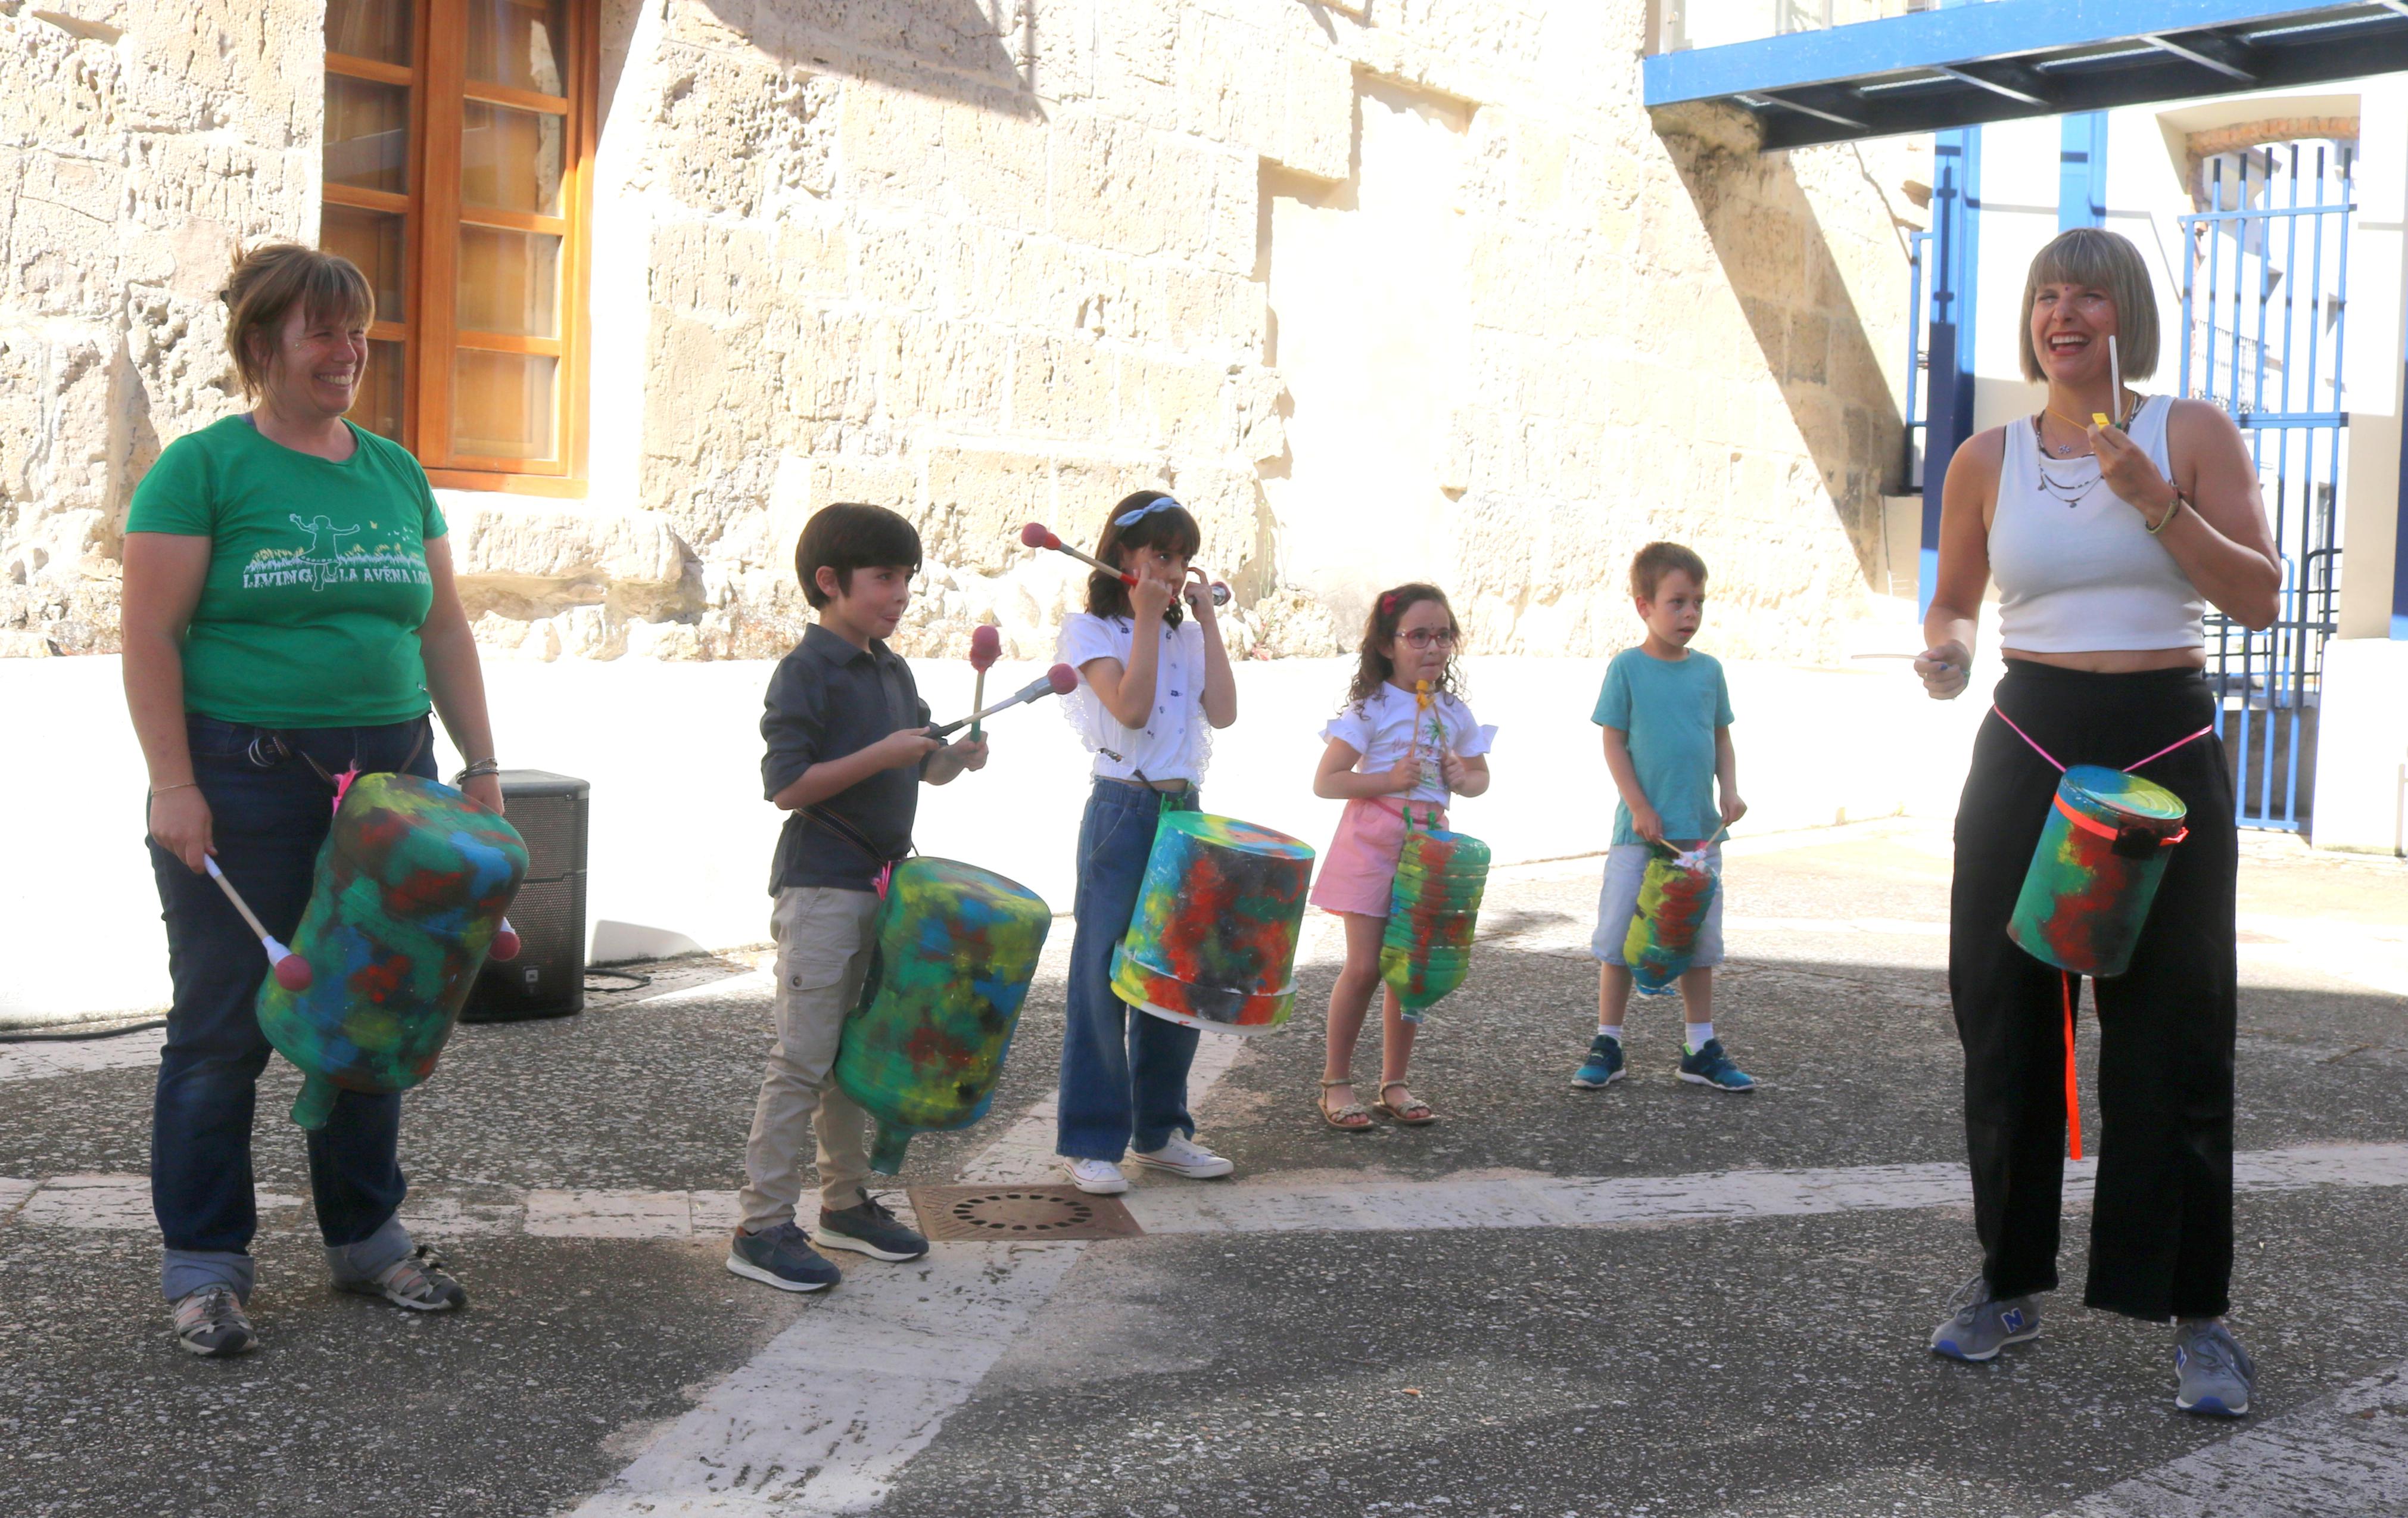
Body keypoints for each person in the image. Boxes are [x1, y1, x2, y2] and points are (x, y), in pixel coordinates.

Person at [1915, 227, 2280, 1416]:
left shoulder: (2186, 430)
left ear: (2123, 312)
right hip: (2027, 740)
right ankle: (2005, 1278)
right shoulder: (1981, 456)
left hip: (2162, 743)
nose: (2059, 315)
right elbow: (1957, 602)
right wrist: (1943, 651)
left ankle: (2193, 1316)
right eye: (2043, 298)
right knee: (2004, 1017)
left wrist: (2154, 500)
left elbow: (2258, 595)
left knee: (2173, 1029)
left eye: (2083, 296)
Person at [122, 244, 504, 1358]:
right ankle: (204, 1266)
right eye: (324, 332)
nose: (350, 352)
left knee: (371, 1011)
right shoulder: (201, 470)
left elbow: (442, 624)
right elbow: (150, 633)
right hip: (243, 776)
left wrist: (479, 762)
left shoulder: (393, 471)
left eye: (360, 330)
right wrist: (174, 783)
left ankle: (368, 1239)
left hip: (392, 777)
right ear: (261, 347)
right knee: (221, 1028)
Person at [730, 502, 990, 1292]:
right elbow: (786, 786)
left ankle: (843, 1204)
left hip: (884, 889)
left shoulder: (890, 667)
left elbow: (919, 767)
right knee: (802, 1059)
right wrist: (883, 752)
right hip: (820, 888)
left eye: (907, 576)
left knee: (848, 1061)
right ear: (829, 583)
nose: (901, 591)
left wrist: (955, 758)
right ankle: (760, 1226)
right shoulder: (805, 672)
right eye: (885, 577)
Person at [1054, 492, 1239, 1195]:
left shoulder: (1185, 634)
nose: (1172, 568)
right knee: (1103, 975)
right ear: (1123, 557)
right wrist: (1142, 618)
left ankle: (1161, 1131)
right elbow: (1129, 707)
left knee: (1177, 976)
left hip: (1183, 812)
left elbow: (1222, 711)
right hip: (1121, 811)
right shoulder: (1090, 630)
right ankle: (1092, 1140)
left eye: (1182, 556)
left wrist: (1207, 621)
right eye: (1158, 554)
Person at [1309, 584, 1493, 1130]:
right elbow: (1326, 781)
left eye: (1442, 635)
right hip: (1371, 843)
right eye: (1418, 636)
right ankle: (1335, 1082)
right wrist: (1386, 779)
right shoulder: (1370, 709)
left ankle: (1393, 1082)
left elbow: (1481, 777)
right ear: (1388, 646)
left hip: (1429, 854)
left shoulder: (1454, 712)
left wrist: (1467, 777)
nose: (1432, 647)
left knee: (1408, 970)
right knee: (1364, 967)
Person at [1572, 542, 1754, 1095]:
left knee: (1697, 942)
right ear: (1642, 606)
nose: (1690, 614)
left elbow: (1720, 735)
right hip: (1639, 835)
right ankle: (1608, 1042)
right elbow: (1614, 743)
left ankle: (1699, 1046)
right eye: (1677, 602)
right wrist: (1640, 807)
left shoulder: (1709, 671)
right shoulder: (1626, 668)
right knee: (1619, 938)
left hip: (1698, 834)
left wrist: (1731, 790)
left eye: (1697, 602)